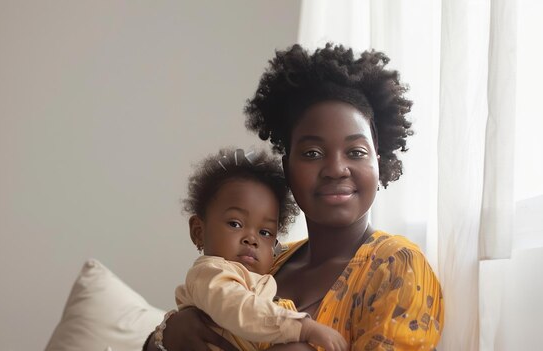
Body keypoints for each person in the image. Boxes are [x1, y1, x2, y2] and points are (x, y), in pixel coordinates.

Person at [145, 43, 443, 351]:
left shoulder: (397, 266)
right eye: (312, 153)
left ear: (378, 161)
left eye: (356, 152)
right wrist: (167, 334)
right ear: (287, 168)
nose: (336, 169)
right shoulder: (264, 258)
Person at [164, 148, 347, 351]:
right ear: (198, 231)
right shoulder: (211, 272)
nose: (251, 239)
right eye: (235, 224)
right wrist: (302, 327)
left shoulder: (261, 277)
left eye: (265, 232)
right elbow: (240, 308)